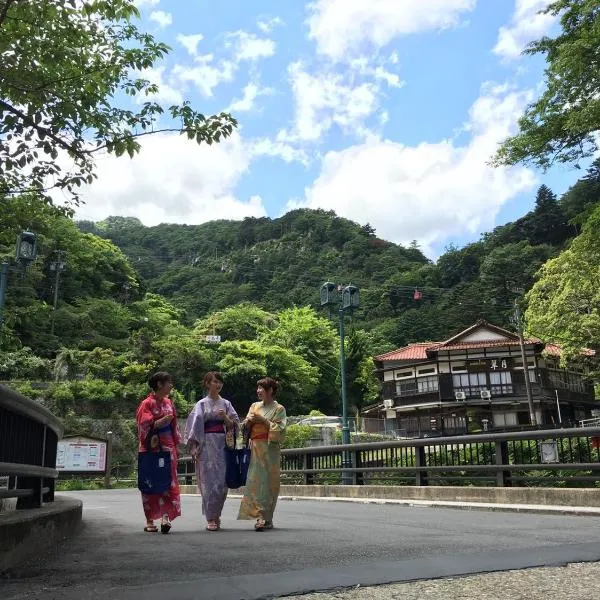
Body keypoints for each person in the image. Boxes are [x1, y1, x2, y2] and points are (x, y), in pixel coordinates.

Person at [184, 371, 240, 531]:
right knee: (208, 482)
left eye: (220, 382)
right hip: (206, 445)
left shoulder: (227, 404)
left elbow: (235, 425)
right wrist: (194, 447)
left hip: (222, 445)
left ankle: (217, 514)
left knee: (222, 482)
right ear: (208, 383)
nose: (218, 384)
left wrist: (225, 418)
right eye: (215, 381)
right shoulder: (201, 404)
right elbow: (194, 427)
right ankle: (210, 517)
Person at [238, 377, 287, 531]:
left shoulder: (279, 409)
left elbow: (280, 429)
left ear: (270, 390)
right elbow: (244, 427)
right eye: (257, 388)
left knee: (269, 483)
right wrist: (248, 422)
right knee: (256, 482)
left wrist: (263, 421)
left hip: (270, 449)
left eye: (262, 388)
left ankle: (267, 517)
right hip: (256, 447)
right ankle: (259, 516)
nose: (258, 391)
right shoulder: (254, 406)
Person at [136, 371, 181, 534]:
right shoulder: (146, 404)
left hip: (168, 447)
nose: (171, 385)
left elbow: (174, 426)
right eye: (168, 382)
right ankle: (149, 519)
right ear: (159, 384)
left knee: (169, 482)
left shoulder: (169, 403)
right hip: (151, 448)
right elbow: (143, 426)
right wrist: (161, 421)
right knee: (150, 482)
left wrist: (177, 446)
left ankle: (165, 517)